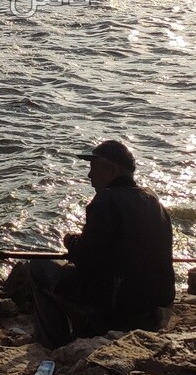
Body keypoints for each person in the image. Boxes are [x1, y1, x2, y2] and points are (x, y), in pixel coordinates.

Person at [27, 139, 175, 348]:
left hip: (117, 310)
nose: (89, 175)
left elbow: (85, 259)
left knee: (38, 268)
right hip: (155, 309)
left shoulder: (106, 199)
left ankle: (52, 345)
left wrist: (71, 241)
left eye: (94, 168)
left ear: (112, 169)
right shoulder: (153, 200)